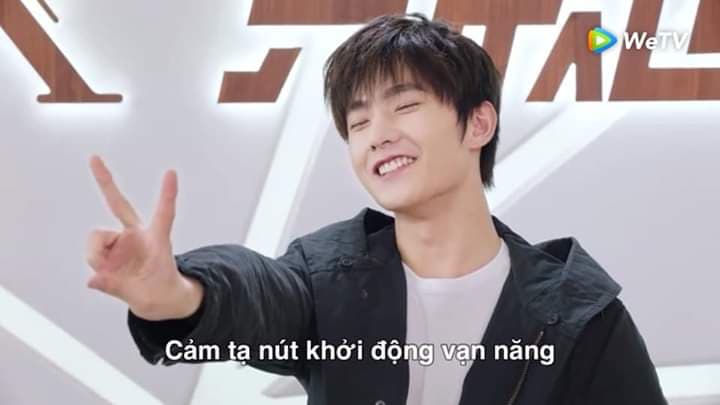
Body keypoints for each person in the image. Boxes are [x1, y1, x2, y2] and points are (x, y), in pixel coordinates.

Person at [86, 13, 667, 405]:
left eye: (404, 106)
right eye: (358, 122)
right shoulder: (328, 280)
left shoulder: (578, 313)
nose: (377, 135)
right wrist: (182, 292)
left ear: (478, 123)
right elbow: (257, 292)